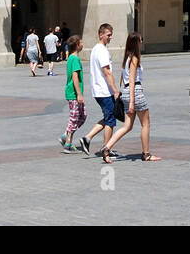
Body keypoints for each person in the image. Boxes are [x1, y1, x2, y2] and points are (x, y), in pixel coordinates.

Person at [101, 33, 162, 163]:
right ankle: (146, 154)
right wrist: (132, 103)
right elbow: (133, 80)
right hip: (135, 92)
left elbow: (124, 80)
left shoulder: (126, 59)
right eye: (141, 40)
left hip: (126, 92)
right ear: (136, 42)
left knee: (127, 126)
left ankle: (106, 147)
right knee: (146, 124)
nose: (142, 42)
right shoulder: (134, 58)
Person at [76, 24, 122, 156]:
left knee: (109, 117)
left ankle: (87, 138)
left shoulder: (96, 49)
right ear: (100, 34)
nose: (110, 37)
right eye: (108, 35)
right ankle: (106, 148)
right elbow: (107, 72)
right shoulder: (101, 50)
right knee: (110, 121)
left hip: (99, 90)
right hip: (104, 91)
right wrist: (115, 91)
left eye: (111, 34)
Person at [59, 35, 86, 153]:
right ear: (77, 45)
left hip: (74, 92)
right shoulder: (74, 59)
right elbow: (75, 76)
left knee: (82, 116)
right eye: (81, 42)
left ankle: (65, 135)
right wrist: (79, 94)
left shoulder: (71, 57)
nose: (83, 43)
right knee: (74, 117)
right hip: (74, 93)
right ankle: (68, 143)